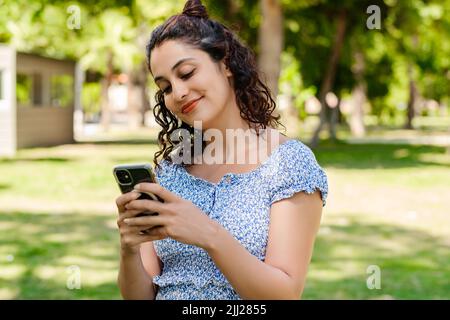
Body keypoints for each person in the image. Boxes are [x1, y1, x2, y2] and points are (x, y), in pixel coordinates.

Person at [116, 0, 328, 300]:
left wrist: (207, 233)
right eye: (165, 87)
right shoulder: (171, 172)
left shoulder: (287, 164)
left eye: (187, 73)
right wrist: (129, 249)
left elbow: (284, 294)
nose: (177, 93)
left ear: (225, 63)